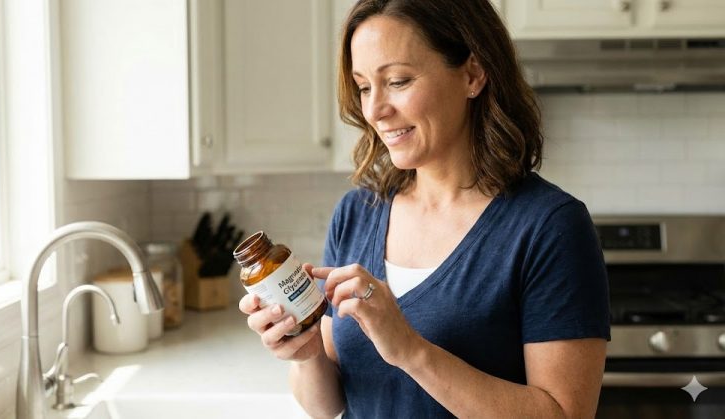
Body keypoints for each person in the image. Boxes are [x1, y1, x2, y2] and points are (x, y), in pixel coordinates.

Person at [239, 0, 611, 417]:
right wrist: (307, 354)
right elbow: (327, 406)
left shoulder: (549, 227)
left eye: (397, 81)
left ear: (472, 74)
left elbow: (564, 414)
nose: (376, 110)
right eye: (364, 87)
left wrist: (411, 351)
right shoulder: (356, 212)